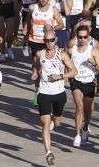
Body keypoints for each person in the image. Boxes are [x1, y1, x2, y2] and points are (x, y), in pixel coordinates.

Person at [32, 31, 76, 166]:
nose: (49, 43)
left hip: (59, 94)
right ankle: (48, 152)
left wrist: (61, 77)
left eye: (51, 40)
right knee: (44, 123)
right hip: (44, 94)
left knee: (57, 122)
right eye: (47, 40)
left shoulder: (62, 54)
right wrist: (34, 74)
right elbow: (36, 66)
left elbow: (74, 71)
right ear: (44, 41)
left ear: (56, 40)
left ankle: (54, 118)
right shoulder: (40, 54)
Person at [67, 22, 99, 148]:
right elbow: (64, 59)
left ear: (88, 37)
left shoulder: (93, 50)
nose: (82, 40)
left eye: (84, 37)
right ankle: (77, 135)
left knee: (88, 111)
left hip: (89, 82)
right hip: (76, 81)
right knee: (79, 107)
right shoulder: (72, 49)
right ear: (77, 37)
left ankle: (85, 128)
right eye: (80, 37)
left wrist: (94, 64)